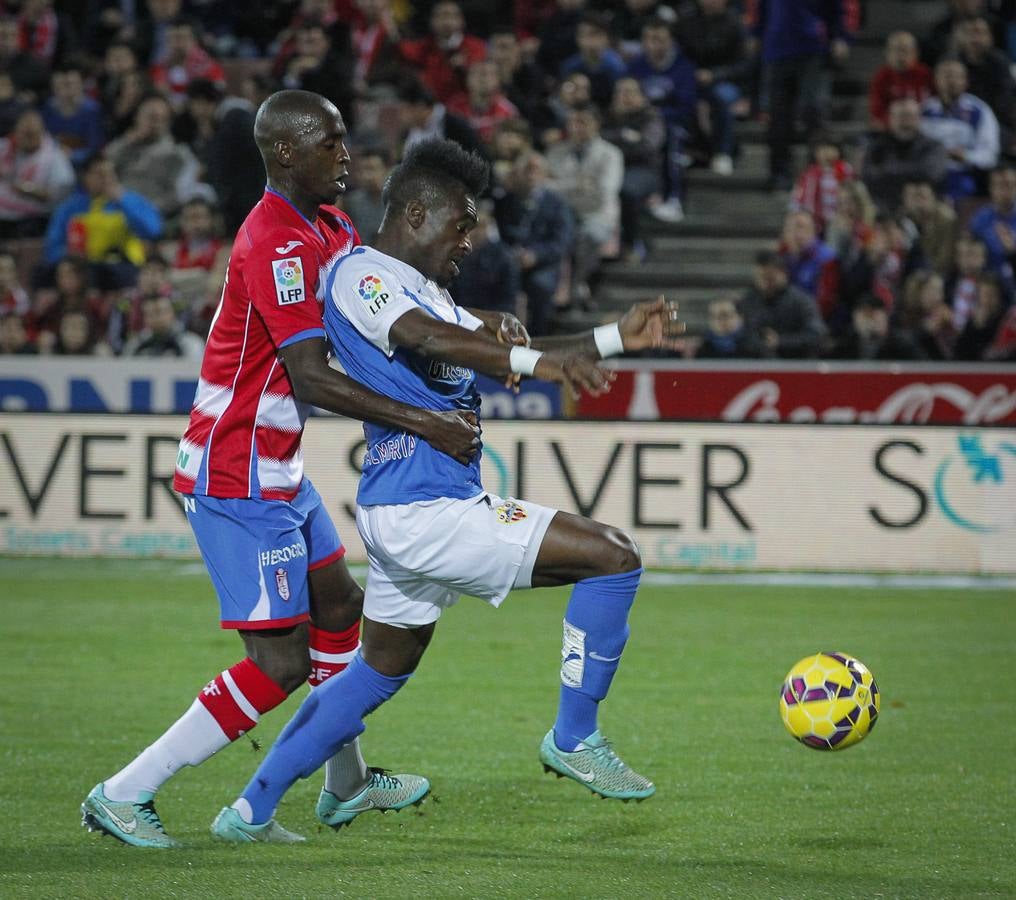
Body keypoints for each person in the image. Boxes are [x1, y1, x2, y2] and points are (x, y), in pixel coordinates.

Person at [208, 138, 684, 842]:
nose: (470, 241)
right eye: (461, 226)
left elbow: (478, 344)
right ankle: (575, 738)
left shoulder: (425, 290)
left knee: (378, 670)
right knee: (613, 557)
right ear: (417, 214)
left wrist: (614, 336)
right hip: (426, 510)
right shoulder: (363, 277)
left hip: (410, 508)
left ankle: (248, 811)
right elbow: (425, 339)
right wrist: (538, 364)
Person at [81, 91, 481, 850]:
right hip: (235, 471)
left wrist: (477, 331)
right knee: (279, 659)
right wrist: (426, 420)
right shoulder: (273, 239)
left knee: (340, 608)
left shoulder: (329, 226)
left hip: (277, 469)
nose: (348, 156)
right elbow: (311, 376)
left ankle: (346, 784)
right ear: (287, 153)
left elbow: (382, 311)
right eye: (331, 144)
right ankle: (123, 792)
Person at [919, 60, 999, 202]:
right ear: (936, 80)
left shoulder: (979, 111)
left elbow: (990, 154)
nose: (952, 81)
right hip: (929, 174)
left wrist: (966, 156)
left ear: (965, 81)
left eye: (957, 76)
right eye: (947, 76)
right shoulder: (925, 110)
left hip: (965, 175)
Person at [861, 98, 948, 213]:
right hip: (885, 209)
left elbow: (932, 175)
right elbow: (869, 176)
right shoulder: (876, 147)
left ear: (919, 118)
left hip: (925, 209)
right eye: (901, 116)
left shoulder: (933, 146)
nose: (905, 122)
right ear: (890, 119)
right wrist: (914, 174)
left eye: (910, 116)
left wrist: (887, 172)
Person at [0, 110, 76, 240]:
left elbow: (55, 196)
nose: (25, 138)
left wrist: (23, 187)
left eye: (31, 135)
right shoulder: (5, 146)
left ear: (41, 133)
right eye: (22, 133)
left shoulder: (55, 159)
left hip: (30, 219)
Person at [739, 249, 827, 357]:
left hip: (796, 365)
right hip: (758, 366)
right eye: (760, 277)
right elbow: (742, 335)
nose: (765, 283)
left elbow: (817, 336)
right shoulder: (749, 301)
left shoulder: (802, 301)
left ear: (783, 274)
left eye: (770, 277)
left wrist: (781, 341)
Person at [789, 133, 853, 237]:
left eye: (831, 149)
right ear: (815, 153)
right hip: (815, 222)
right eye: (822, 150)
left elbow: (853, 195)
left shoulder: (845, 170)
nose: (827, 153)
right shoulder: (808, 175)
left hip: (838, 220)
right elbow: (797, 200)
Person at [867, 31, 931, 131]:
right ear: (887, 53)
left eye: (905, 50)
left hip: (922, 127)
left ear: (915, 53)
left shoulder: (925, 74)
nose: (901, 56)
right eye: (896, 50)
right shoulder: (881, 77)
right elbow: (877, 111)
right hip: (891, 128)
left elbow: (934, 104)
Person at [968, 165, 1016, 293]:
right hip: (987, 282)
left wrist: (1012, 251)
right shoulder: (980, 219)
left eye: (1010, 185)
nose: (1005, 191)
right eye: (1000, 185)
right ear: (991, 188)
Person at [694, 296, 759, 358]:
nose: (720, 320)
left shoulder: (754, 348)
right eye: (715, 316)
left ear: (740, 317)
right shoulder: (701, 350)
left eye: (725, 315)